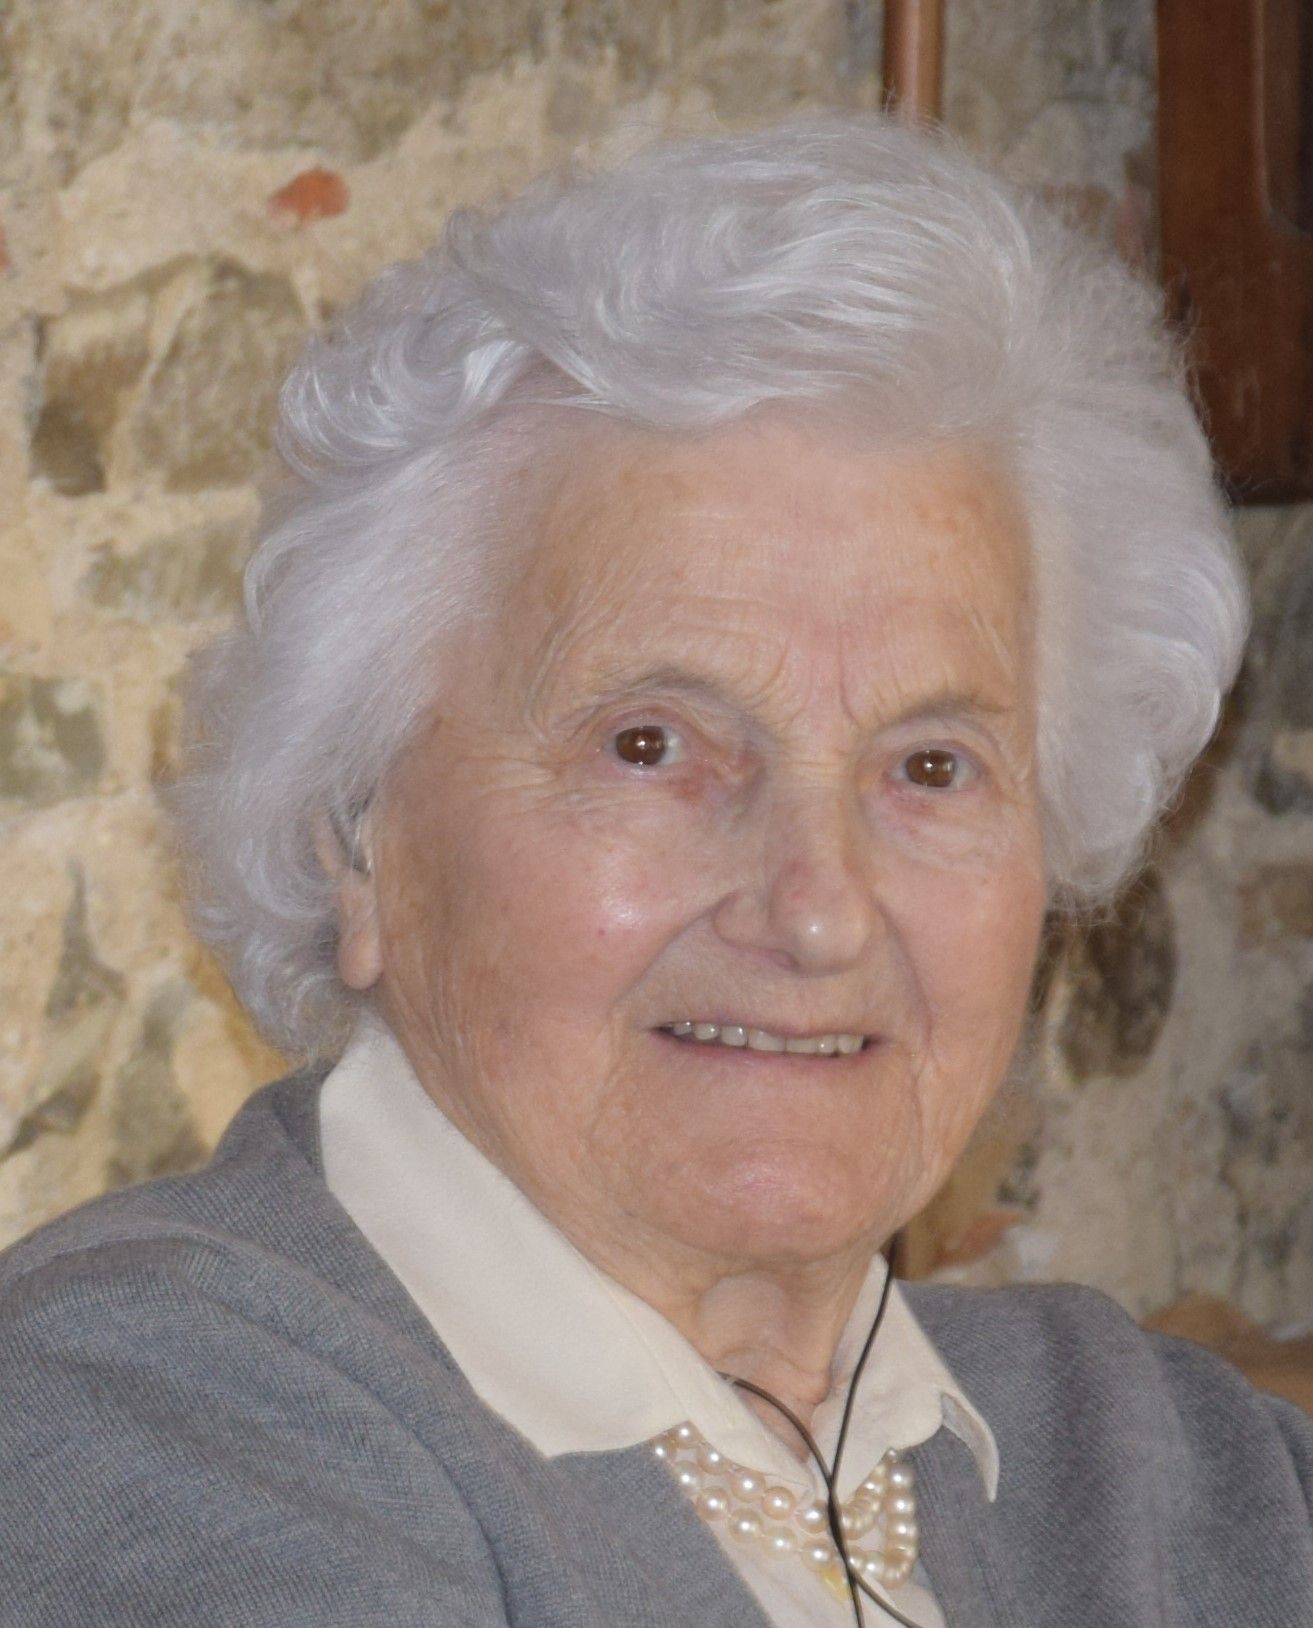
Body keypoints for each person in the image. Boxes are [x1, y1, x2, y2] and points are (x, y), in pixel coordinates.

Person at [2, 115, 1308, 1628]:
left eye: (931, 768)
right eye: (651, 746)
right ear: (353, 840)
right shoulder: (143, 1425)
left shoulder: (1167, 1470)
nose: (818, 911)